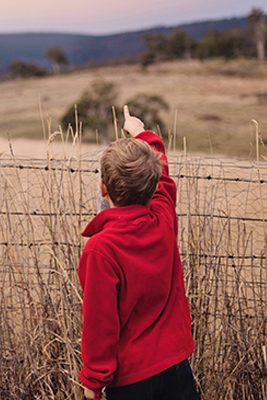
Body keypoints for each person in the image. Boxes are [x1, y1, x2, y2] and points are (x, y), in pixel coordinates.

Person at [78, 106, 199, 400]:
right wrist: (141, 132)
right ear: (154, 184)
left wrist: (93, 382)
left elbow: (100, 325)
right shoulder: (163, 216)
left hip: (131, 380)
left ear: (103, 188)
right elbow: (163, 172)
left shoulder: (101, 249)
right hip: (176, 364)